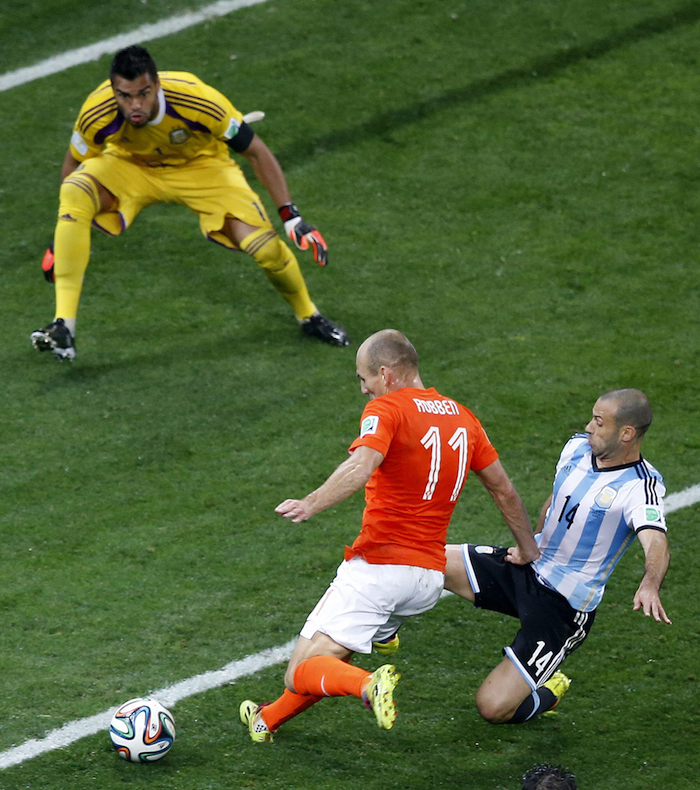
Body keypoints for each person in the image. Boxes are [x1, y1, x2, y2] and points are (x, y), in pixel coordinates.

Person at [238, 329, 540, 742]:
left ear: (385, 374)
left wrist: (311, 502)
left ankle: (369, 684)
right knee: (334, 655)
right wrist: (527, 548)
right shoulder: (463, 417)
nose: (364, 389)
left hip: (380, 569)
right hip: (427, 579)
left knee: (302, 670)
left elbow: (361, 465)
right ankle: (269, 719)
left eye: (364, 379)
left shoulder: (387, 408)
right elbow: (503, 489)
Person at [30, 45, 349, 361]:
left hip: (202, 168)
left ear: (157, 85)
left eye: (143, 94)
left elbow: (256, 152)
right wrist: (63, 236)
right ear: (114, 90)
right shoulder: (96, 111)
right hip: (132, 167)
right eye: (124, 96)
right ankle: (64, 327)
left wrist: (291, 216)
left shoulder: (199, 101)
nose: (135, 105)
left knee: (265, 248)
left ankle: (308, 315)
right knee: (76, 189)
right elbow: (73, 162)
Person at [445, 388, 671, 726]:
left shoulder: (641, 486)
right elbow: (555, 501)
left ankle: (548, 693)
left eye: (599, 422)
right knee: (428, 560)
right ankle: (386, 632)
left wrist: (650, 583)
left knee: (492, 707)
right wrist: (529, 546)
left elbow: (656, 541)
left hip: (562, 606)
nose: (589, 427)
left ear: (626, 433)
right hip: (527, 567)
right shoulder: (577, 448)